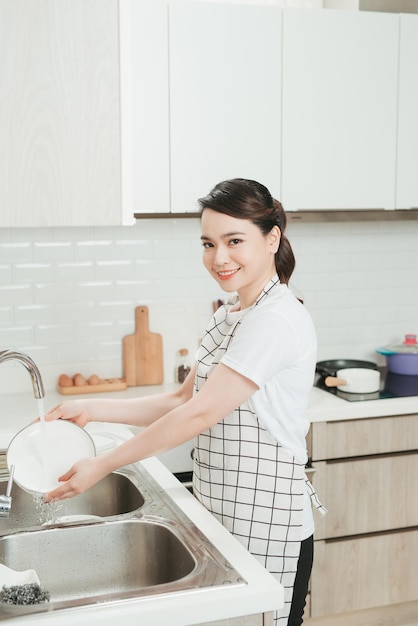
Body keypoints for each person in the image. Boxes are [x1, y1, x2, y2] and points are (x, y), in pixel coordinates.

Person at [45, 178, 325, 626]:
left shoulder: (276, 320)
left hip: (267, 523)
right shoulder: (231, 312)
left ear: (271, 239)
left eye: (235, 241)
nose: (219, 257)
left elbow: (199, 413)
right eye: (208, 243)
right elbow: (183, 396)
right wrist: (94, 409)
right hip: (224, 511)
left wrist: (103, 464)